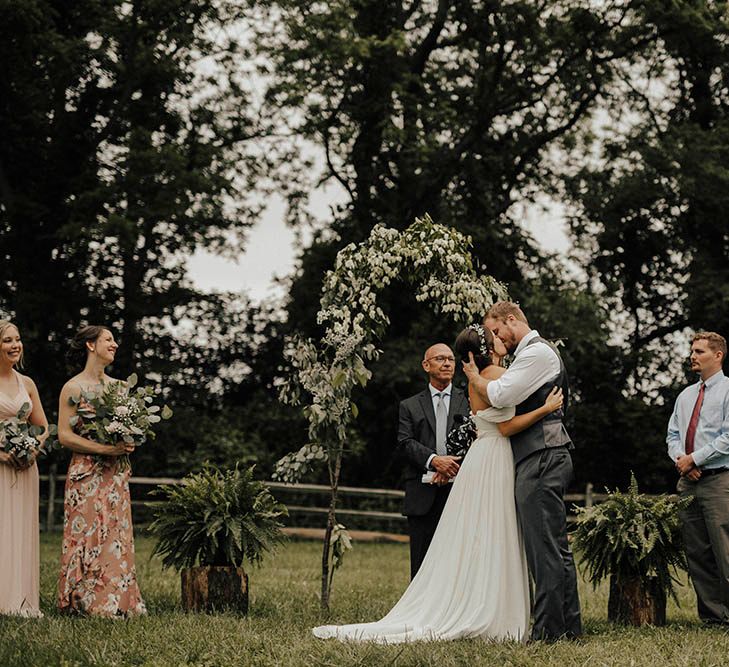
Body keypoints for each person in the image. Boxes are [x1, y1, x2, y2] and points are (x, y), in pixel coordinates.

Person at [313, 324, 563, 643]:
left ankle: (477, 601)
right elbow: (505, 428)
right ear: (487, 348)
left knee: (480, 534)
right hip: (494, 458)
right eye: (496, 337)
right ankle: (489, 609)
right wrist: (546, 408)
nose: (502, 339)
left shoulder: (476, 382)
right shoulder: (494, 379)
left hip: (479, 460)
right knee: (492, 532)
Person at [462, 301, 581, 641]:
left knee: (544, 549)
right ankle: (567, 628)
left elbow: (501, 394)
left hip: (543, 455)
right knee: (554, 547)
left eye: (497, 330)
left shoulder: (537, 353)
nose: (496, 338)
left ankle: (547, 632)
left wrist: (474, 378)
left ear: (511, 320)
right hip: (541, 454)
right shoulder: (527, 355)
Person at [56, 325, 146, 617]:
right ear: (91, 346)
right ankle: (83, 601)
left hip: (115, 474)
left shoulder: (120, 388)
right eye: (108, 339)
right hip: (86, 474)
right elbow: (65, 436)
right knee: (87, 535)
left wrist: (127, 441)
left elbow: (128, 430)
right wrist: (104, 450)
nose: (115, 344)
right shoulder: (73, 388)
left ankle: (118, 602)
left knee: (115, 535)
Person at [668, 331, 729, 624]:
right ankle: (713, 616)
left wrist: (697, 457)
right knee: (697, 552)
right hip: (688, 481)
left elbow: (728, 437)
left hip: (720, 480)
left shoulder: (728, 390)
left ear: (718, 355)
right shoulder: (685, 395)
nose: (693, 356)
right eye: (692, 351)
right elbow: (673, 434)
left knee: (724, 549)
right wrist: (683, 461)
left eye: (700, 351)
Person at [397, 343, 470, 579]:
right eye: (440, 358)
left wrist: (450, 468)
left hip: (461, 490)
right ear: (426, 365)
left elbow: (478, 438)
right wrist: (434, 461)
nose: (447, 363)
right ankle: (418, 613)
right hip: (422, 490)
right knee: (421, 560)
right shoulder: (409, 405)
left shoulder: (469, 399)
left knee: (458, 559)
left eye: (450, 359)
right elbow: (405, 443)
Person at [0, 320, 50, 617]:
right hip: (0, 466)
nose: (15, 345)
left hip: (24, 468)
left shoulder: (27, 383)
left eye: (17, 339)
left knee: (19, 531)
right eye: (7, 340)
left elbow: (42, 427)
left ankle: (19, 599)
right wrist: (2, 455)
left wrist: (33, 447)